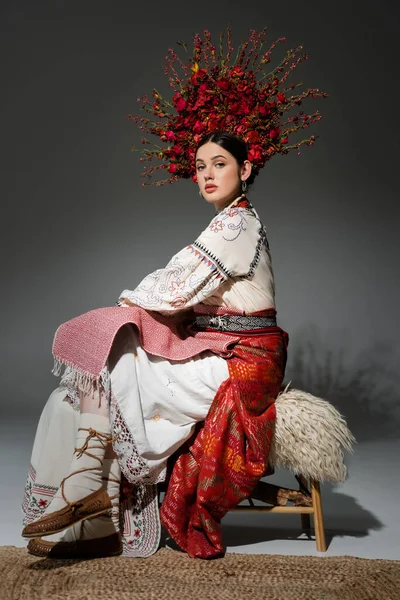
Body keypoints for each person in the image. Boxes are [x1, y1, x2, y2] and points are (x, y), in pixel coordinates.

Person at [21, 27, 324, 559]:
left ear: (247, 169)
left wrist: (130, 301)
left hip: (244, 365)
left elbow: (178, 282)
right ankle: (91, 508)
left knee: (117, 358)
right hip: (220, 349)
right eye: (200, 166)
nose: (207, 175)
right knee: (78, 390)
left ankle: (90, 487)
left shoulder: (237, 226)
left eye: (220, 164)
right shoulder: (224, 224)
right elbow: (183, 289)